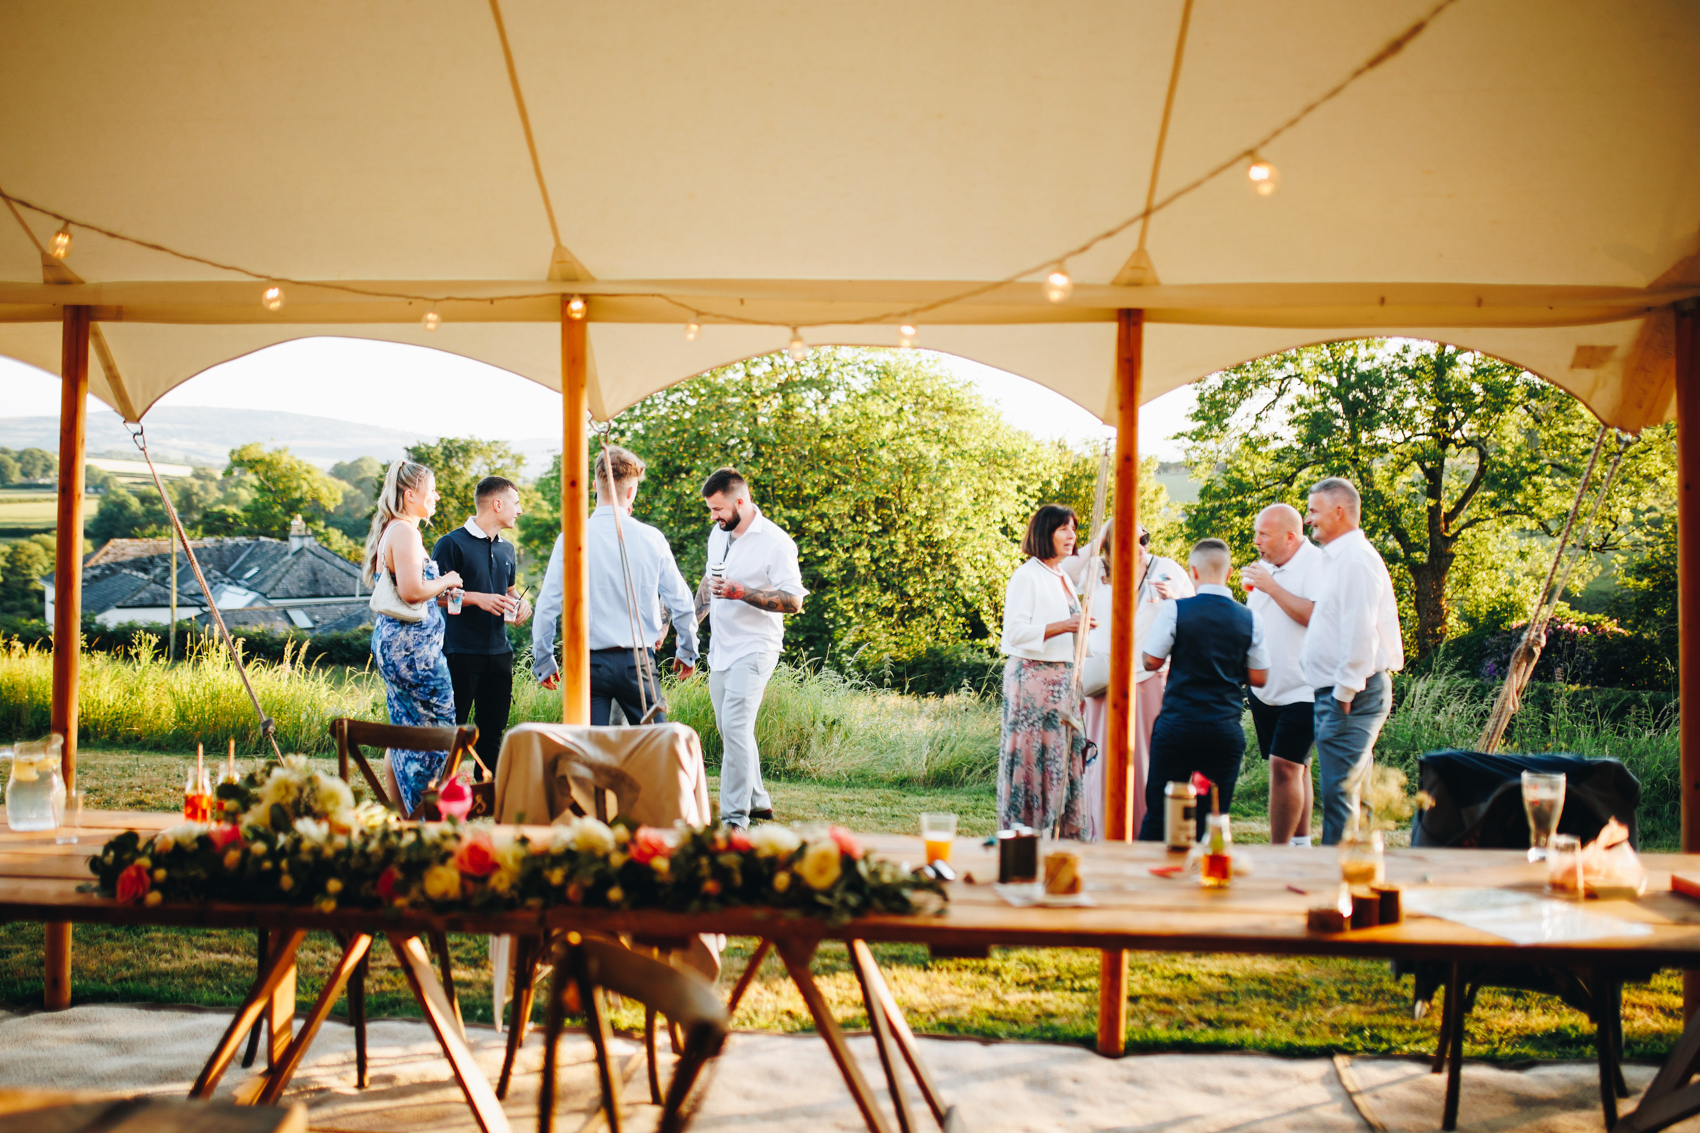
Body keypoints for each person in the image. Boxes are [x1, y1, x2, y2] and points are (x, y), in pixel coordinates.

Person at [532, 445, 699, 723]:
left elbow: (547, 605)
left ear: (595, 485)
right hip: (639, 664)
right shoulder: (652, 538)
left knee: (590, 754)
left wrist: (544, 659)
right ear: (631, 492)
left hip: (588, 664)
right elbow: (681, 602)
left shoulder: (571, 538)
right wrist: (687, 650)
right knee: (655, 750)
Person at [1136, 538, 1269, 842]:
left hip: (1177, 725)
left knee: (1159, 811)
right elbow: (1260, 677)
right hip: (1223, 729)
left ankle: (1147, 881)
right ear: (1230, 571)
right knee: (1212, 818)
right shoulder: (1250, 618)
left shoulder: (1175, 611)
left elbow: (1152, 662)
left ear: (1192, 572)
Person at [697, 468, 807, 829]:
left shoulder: (776, 542)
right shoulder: (719, 534)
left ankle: (734, 818)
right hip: (721, 649)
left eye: (718, 509)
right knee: (730, 729)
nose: (713, 517)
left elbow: (793, 601)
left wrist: (741, 592)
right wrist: (684, 625)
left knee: (736, 726)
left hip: (756, 648)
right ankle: (759, 801)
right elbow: (708, 582)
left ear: (740, 502)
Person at [1068, 521, 1191, 839]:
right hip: (1102, 680)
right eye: (1125, 539)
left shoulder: (1166, 569)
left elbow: (1190, 611)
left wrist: (1173, 597)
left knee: (1146, 760)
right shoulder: (1096, 568)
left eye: (1142, 539)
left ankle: (1144, 833)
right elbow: (1065, 574)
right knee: (1101, 760)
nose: (1137, 546)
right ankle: (1102, 831)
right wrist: (1098, 539)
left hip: (1146, 678)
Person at [1300, 477, 1404, 845]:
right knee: (1351, 797)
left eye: (1313, 510)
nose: (1307, 519)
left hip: (1349, 696)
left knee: (1341, 800)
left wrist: (1343, 694)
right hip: (1339, 694)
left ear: (1339, 512)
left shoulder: (1355, 562)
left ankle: (1336, 885)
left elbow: (1361, 634)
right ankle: (1358, 877)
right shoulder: (1339, 560)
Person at [363, 459, 464, 815]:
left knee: (403, 732)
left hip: (400, 647)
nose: (436, 496)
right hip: (414, 654)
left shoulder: (396, 529)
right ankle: (430, 818)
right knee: (437, 736)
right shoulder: (405, 532)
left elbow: (413, 591)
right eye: (430, 490)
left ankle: (404, 820)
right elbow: (410, 590)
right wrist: (449, 579)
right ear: (410, 495)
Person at [999, 504, 1093, 840]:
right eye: (1063, 529)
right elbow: (1015, 633)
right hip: (1033, 682)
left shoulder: (1063, 576)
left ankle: (1061, 836)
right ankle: (1026, 833)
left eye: (1074, 529)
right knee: (1034, 761)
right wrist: (1065, 625)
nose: (1072, 536)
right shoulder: (1028, 575)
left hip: (1061, 684)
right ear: (1045, 534)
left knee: (1062, 758)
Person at [432, 476, 532, 776]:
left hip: (499, 652)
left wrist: (521, 602)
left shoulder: (508, 549)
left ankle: (489, 792)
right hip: (459, 651)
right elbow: (433, 595)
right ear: (497, 504)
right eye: (516, 503)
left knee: (494, 730)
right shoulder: (450, 543)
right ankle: (440, 790)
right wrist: (477, 599)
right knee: (453, 729)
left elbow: (510, 590)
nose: (520, 510)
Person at [1240, 503, 1326, 846]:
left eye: (1263, 533)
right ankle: (1300, 844)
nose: (1256, 540)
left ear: (1290, 537)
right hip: (1266, 687)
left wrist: (1272, 588)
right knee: (1297, 767)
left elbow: (1318, 617)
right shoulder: (1264, 566)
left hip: (1304, 686)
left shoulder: (1316, 565)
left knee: (1283, 767)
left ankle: (1277, 851)